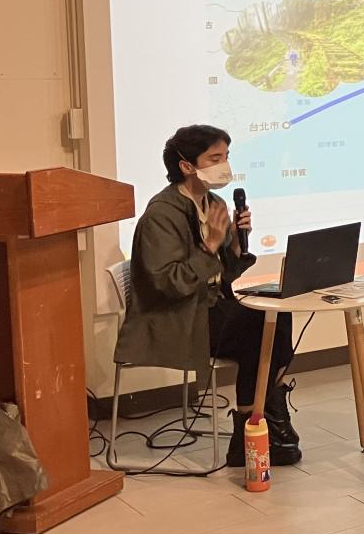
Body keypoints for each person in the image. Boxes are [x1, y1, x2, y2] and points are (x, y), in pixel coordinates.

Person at [114, 125, 300, 468]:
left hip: (208, 306)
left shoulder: (213, 203)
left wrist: (235, 243)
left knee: (278, 314)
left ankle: (263, 418)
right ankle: (253, 430)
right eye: (215, 158)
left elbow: (221, 275)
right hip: (173, 318)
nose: (224, 165)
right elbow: (168, 284)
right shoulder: (161, 215)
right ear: (186, 166)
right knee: (258, 329)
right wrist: (211, 245)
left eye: (226, 156)